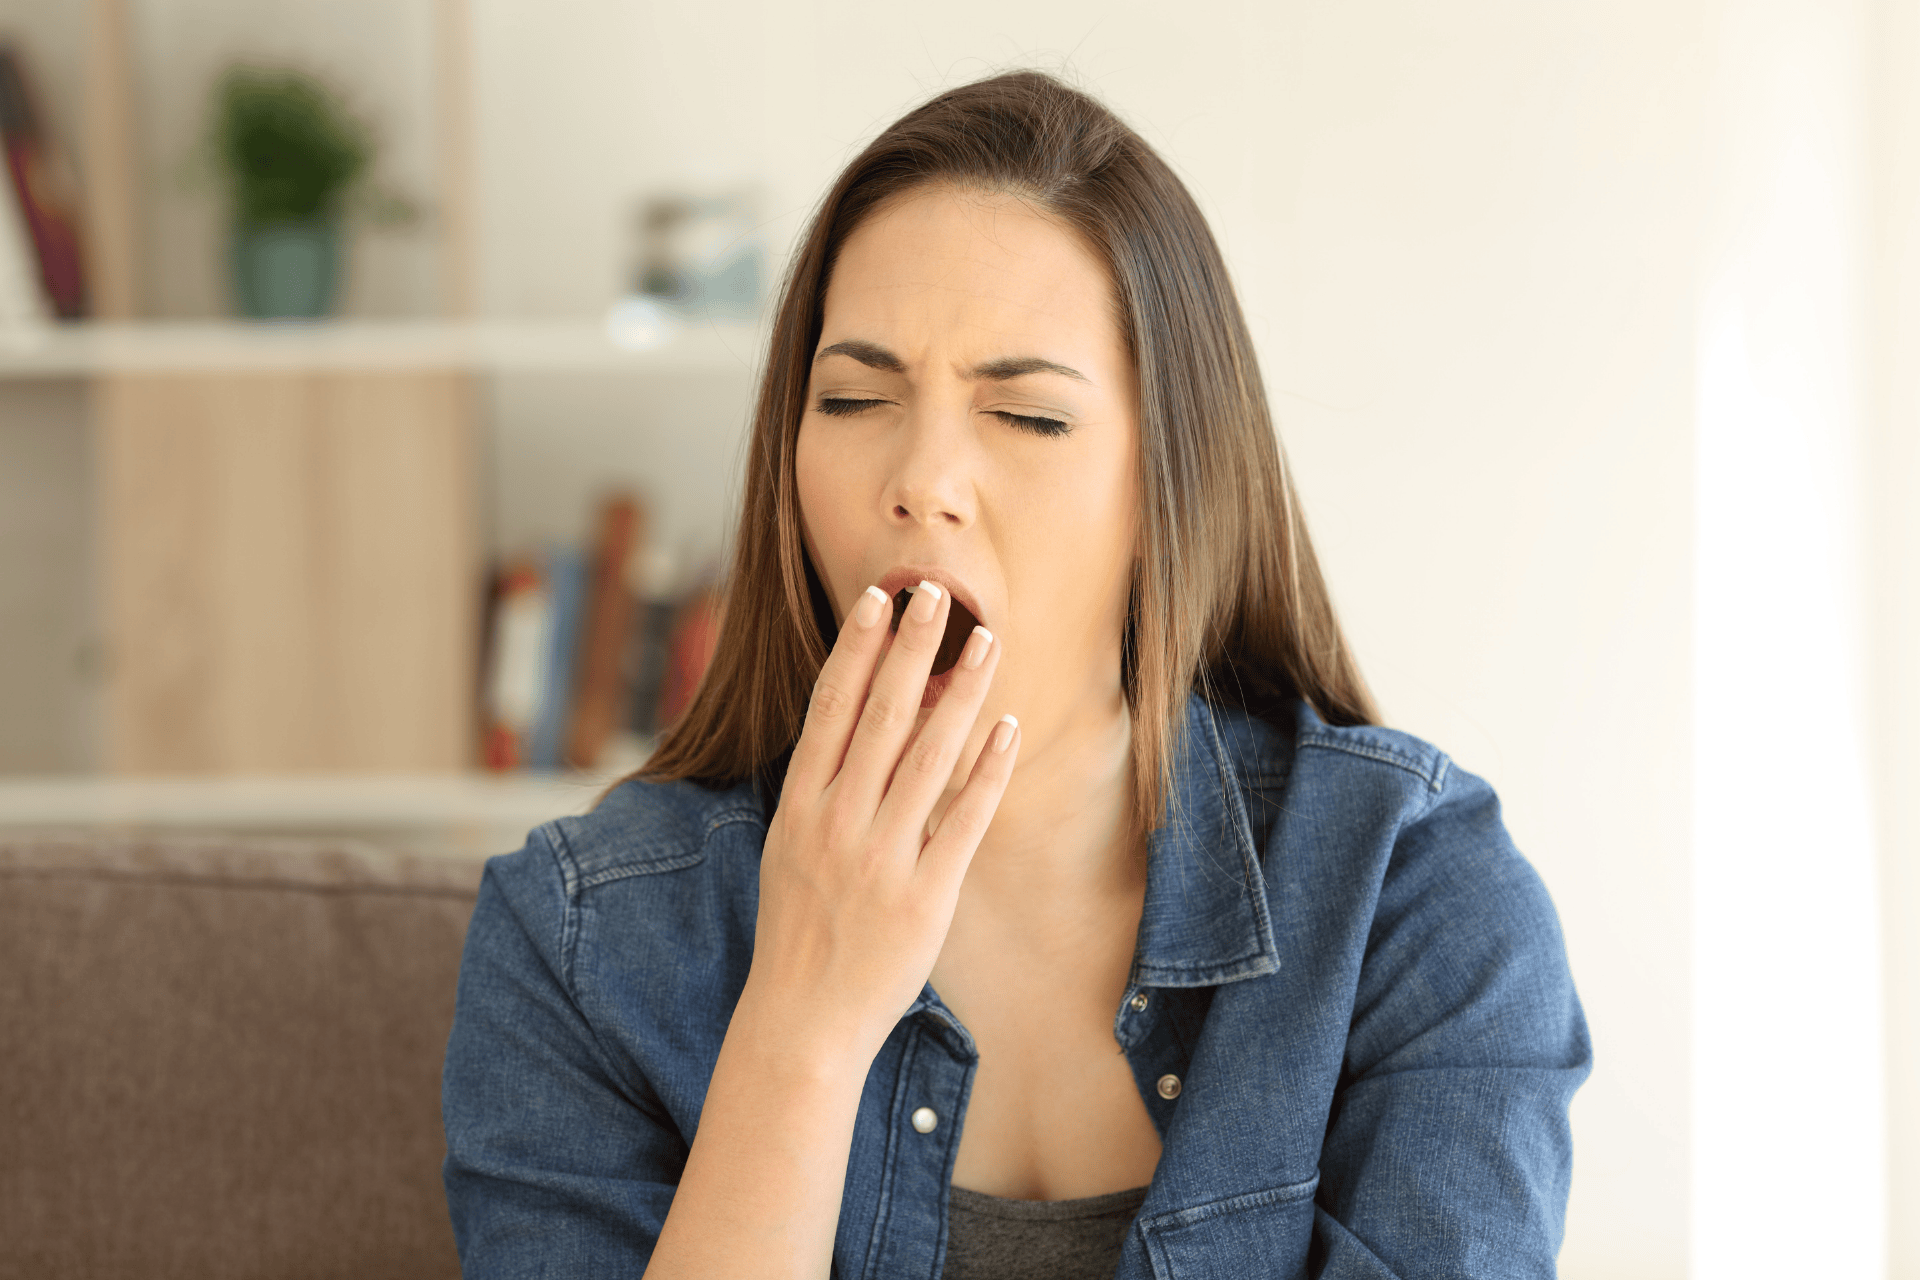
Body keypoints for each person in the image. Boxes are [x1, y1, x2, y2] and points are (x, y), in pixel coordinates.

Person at [441, 70, 1589, 1279]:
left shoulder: (1420, 901)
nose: (922, 477)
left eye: (1030, 416)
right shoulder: (576, 939)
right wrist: (805, 1025)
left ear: (1168, 490)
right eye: (853, 396)